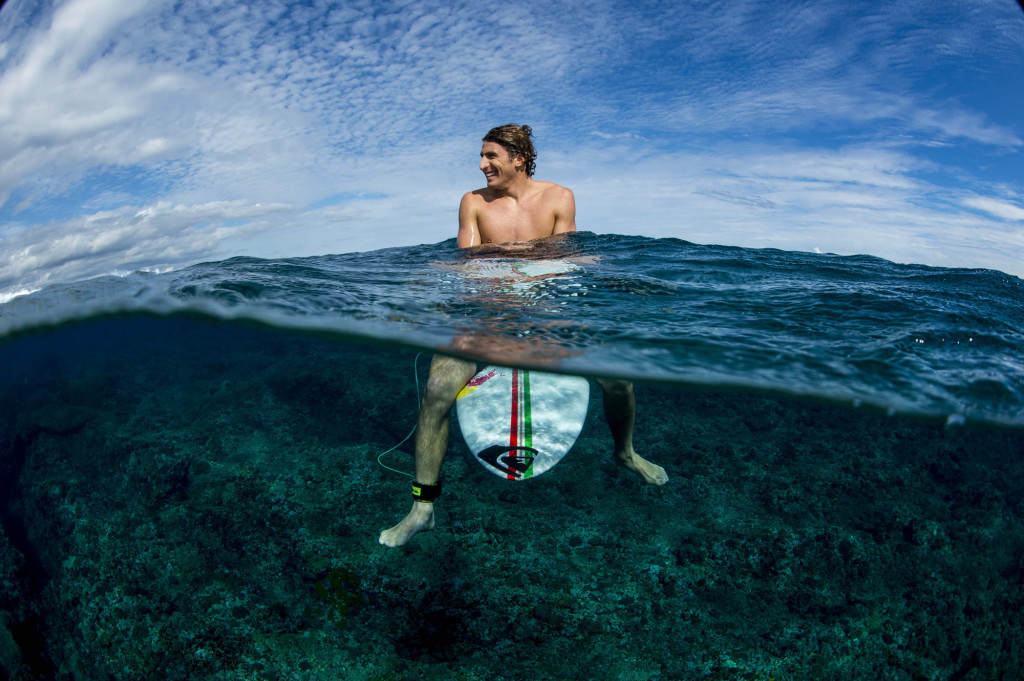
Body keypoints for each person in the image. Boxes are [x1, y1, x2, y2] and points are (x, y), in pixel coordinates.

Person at [378, 124, 667, 548]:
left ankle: (625, 453)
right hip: (486, 315)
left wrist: (620, 279)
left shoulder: (558, 197)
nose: (482, 165)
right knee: (438, 388)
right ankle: (422, 508)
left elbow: (567, 256)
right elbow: (466, 261)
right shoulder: (473, 203)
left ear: (519, 158)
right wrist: (418, 293)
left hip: (545, 314)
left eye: (491, 156)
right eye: (481, 156)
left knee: (618, 377)